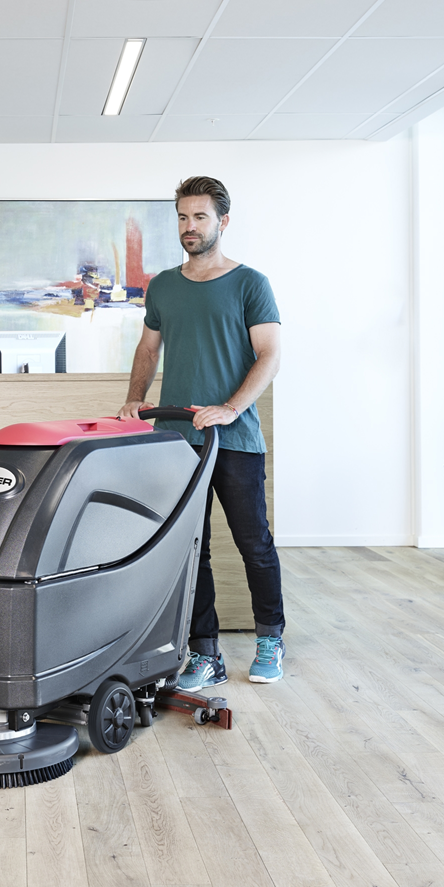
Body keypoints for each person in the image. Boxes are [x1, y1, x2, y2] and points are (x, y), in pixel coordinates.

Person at [118, 176, 285, 685]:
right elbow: (148, 349)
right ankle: (205, 653)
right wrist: (134, 398)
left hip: (234, 439)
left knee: (254, 543)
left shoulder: (250, 283)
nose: (189, 226)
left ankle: (271, 640)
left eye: (200, 217)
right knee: (193, 547)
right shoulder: (163, 286)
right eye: (183, 217)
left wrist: (231, 408)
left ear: (222, 222)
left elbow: (270, 355)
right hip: (177, 441)